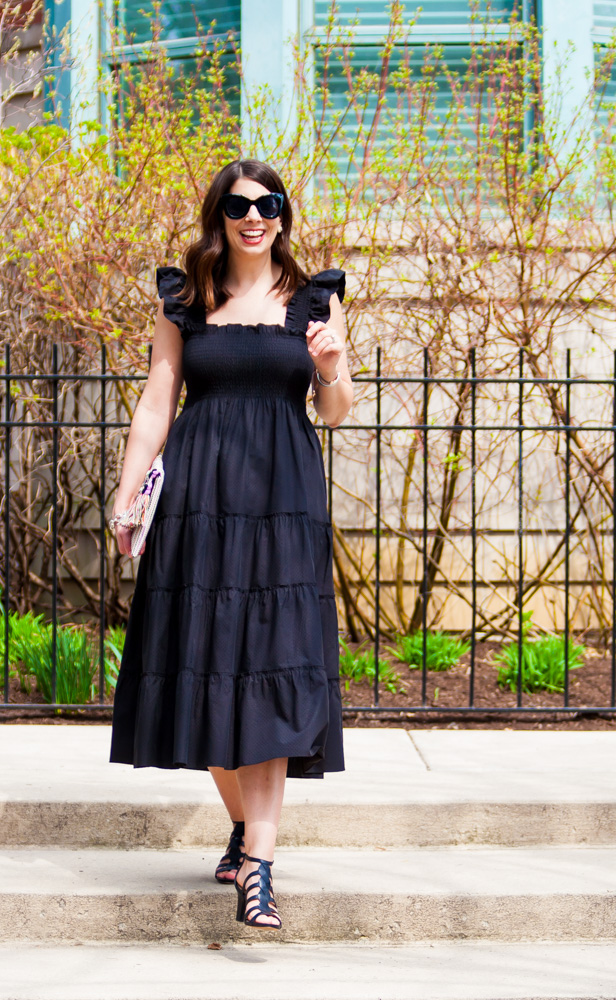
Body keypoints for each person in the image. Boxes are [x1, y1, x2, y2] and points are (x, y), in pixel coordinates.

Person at [108, 158, 353, 930]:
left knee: (273, 664)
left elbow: (336, 410)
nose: (254, 216)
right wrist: (126, 490)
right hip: (198, 499)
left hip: (282, 498)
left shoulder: (317, 297)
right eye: (239, 205)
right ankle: (246, 825)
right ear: (219, 215)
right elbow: (157, 400)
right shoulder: (184, 299)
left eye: (268, 203)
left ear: (283, 214)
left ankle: (259, 868)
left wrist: (333, 367)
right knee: (203, 664)